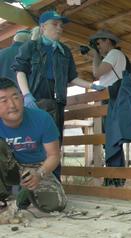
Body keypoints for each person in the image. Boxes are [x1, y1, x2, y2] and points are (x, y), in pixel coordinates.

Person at [12, 10, 103, 142]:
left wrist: (92, 85)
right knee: (32, 139)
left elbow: (72, 77)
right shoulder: (30, 46)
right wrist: (26, 95)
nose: (59, 28)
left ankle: (54, 163)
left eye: (61, 26)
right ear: (43, 27)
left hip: (57, 100)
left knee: (55, 138)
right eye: (55, 24)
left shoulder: (65, 51)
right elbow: (20, 71)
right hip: (35, 98)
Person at [89, 29, 131, 186]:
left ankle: (116, 177)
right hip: (114, 98)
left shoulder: (114, 53)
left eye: (99, 43)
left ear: (108, 40)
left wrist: (94, 54)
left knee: (112, 138)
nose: (98, 46)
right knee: (111, 138)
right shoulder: (113, 56)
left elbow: (96, 72)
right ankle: (114, 177)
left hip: (112, 99)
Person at [0, 77, 66, 213]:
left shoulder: (42, 118)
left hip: (37, 167)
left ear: (22, 98)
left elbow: (54, 155)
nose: (12, 105)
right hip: (8, 166)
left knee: (55, 205)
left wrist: (39, 174)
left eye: (15, 97)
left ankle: (26, 192)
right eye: (3, 100)